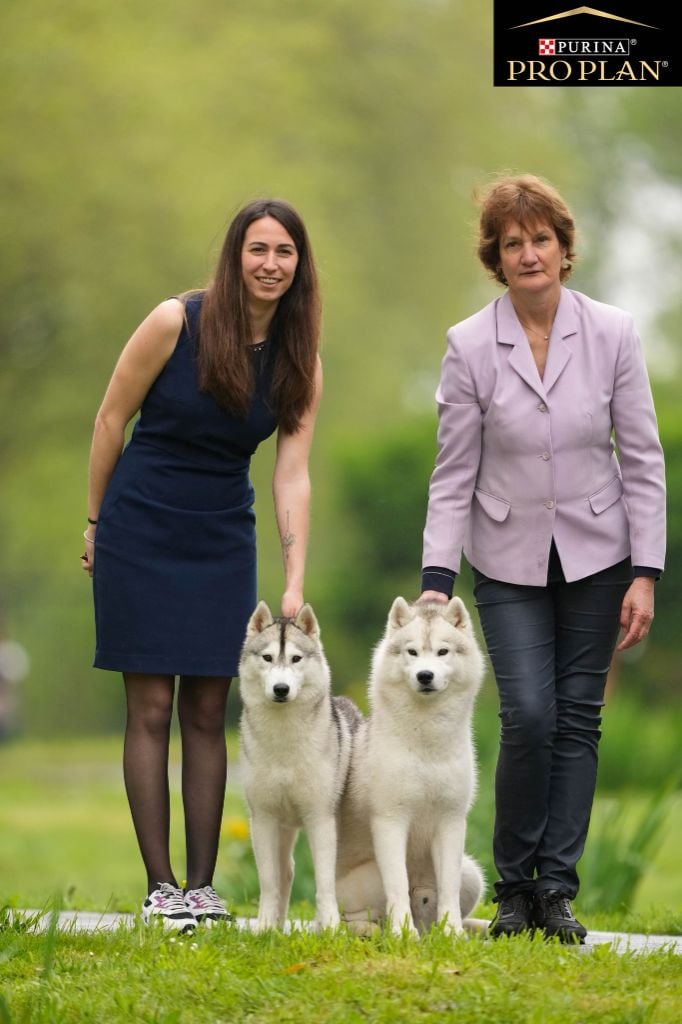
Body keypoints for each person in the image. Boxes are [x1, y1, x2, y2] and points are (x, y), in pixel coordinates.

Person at [419, 173, 666, 943]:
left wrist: (646, 572)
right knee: (527, 713)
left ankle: (555, 892)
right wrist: (436, 580)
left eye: (541, 240)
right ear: (496, 257)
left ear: (564, 249)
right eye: (513, 243)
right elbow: (453, 471)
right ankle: (511, 886)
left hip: (600, 555)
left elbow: (644, 459)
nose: (529, 254)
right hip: (505, 557)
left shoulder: (615, 333)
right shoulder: (468, 344)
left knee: (577, 722)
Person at [82, 198, 322, 931]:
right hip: (142, 523)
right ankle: (161, 889)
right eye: (258, 249)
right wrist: (95, 522)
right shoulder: (174, 322)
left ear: (298, 266)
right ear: (235, 254)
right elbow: (110, 419)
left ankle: (203, 887)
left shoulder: (300, 358)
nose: (270, 264)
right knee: (151, 705)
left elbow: (291, 474)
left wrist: (292, 579)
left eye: (284, 252)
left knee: (211, 710)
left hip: (222, 533)